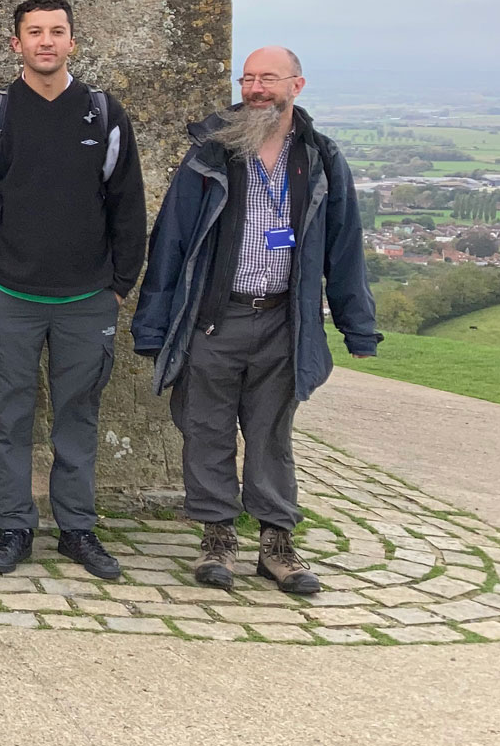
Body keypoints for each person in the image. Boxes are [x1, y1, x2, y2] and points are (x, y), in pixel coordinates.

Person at [132, 46, 379, 596]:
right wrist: (153, 326)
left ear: (298, 85)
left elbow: (344, 247)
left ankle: (276, 545)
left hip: (284, 321)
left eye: (268, 78)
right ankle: (216, 538)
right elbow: (169, 244)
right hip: (215, 319)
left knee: (271, 434)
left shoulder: (320, 158)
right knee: (205, 430)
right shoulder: (212, 153)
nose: (256, 88)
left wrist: (357, 327)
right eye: (248, 78)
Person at [0, 0, 148, 581]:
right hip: (9, 296)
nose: (45, 41)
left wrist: (118, 285)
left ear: (72, 40)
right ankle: (13, 526)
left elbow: (128, 207)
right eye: (34, 32)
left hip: (87, 300)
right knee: (7, 417)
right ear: (16, 43)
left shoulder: (103, 113)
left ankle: (77, 529)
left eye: (56, 32)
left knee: (78, 416)